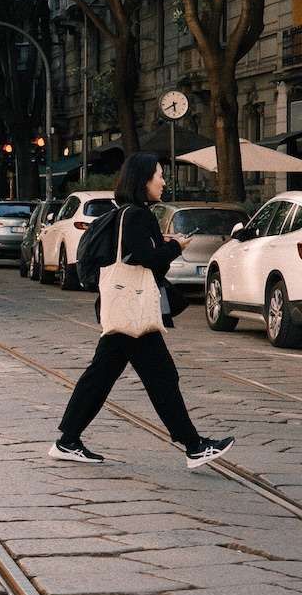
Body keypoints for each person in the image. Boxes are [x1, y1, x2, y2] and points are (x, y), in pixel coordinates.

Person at [50, 152, 230, 470]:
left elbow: (138, 253)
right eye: (159, 175)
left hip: (124, 310)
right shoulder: (137, 215)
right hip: (132, 310)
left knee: (101, 377)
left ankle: (67, 440)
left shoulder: (129, 213)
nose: (163, 181)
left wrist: (163, 245)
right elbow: (144, 258)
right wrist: (176, 247)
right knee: (160, 377)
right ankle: (194, 446)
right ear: (143, 179)